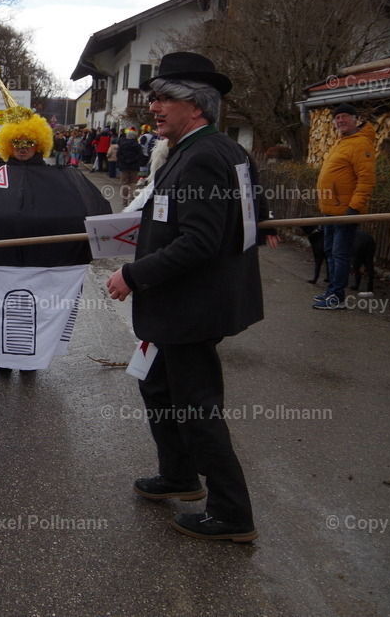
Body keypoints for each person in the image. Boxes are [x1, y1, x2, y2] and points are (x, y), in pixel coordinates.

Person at [105, 52, 278, 543]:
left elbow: (200, 242)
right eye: (154, 97)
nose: (154, 106)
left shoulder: (203, 155)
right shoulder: (211, 149)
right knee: (158, 388)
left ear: (197, 106)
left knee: (196, 408)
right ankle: (179, 476)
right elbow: (246, 210)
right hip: (189, 303)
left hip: (192, 306)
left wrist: (132, 275)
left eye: (166, 98)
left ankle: (232, 514)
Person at [0, 89, 111, 373]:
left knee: (34, 315)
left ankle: (30, 362)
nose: (23, 147)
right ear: (8, 144)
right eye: (18, 142)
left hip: (44, 268)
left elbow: (89, 212)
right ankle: (2, 361)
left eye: (29, 142)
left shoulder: (65, 179)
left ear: (40, 144)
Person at [313, 103, 376, 310]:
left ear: (355, 119)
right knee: (331, 251)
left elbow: (366, 180)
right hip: (330, 211)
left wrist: (354, 208)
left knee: (340, 254)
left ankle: (337, 297)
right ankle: (332, 290)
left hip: (345, 212)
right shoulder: (342, 142)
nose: (340, 121)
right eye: (337, 118)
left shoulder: (361, 144)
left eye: (345, 117)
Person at [116, 129, 143, 206]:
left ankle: (124, 201)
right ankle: (131, 199)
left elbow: (118, 155)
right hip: (134, 166)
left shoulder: (122, 144)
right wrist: (132, 160)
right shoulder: (137, 145)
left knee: (124, 183)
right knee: (133, 183)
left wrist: (125, 160)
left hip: (124, 166)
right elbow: (140, 155)